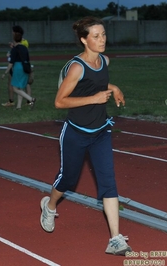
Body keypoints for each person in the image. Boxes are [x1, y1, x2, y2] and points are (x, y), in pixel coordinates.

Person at [39, 16, 132, 256]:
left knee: (108, 183)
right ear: (84, 40)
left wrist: (114, 88)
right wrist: (94, 99)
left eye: (103, 35)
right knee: (68, 181)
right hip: (76, 133)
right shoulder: (77, 67)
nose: (102, 40)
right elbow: (59, 101)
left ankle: (115, 239)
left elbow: (99, 83)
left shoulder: (105, 60)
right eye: (96, 36)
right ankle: (49, 205)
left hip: (100, 132)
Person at [2, 25, 35, 110]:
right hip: (25, 67)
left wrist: (5, 73)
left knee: (15, 88)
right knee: (20, 87)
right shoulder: (24, 48)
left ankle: (31, 99)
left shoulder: (14, 49)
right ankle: (18, 106)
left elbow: (11, 63)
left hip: (17, 67)